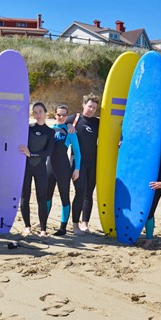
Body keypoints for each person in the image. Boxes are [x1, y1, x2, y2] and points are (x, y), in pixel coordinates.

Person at [19, 102, 55, 238]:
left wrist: (31, 154)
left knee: (42, 198)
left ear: (46, 112)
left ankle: (43, 229)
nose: (38, 114)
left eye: (40, 111)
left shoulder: (50, 132)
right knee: (25, 197)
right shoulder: (28, 129)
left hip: (41, 169)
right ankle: (27, 226)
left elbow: (49, 152)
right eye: (35, 112)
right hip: (26, 169)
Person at [65, 94, 100, 235]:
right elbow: (59, 128)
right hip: (77, 163)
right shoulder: (73, 119)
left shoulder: (98, 123)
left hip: (93, 162)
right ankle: (75, 225)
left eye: (94, 108)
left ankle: (85, 223)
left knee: (89, 193)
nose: (91, 109)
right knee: (80, 192)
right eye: (89, 106)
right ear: (83, 105)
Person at [47, 104, 81, 236]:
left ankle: (62, 228)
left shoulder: (70, 131)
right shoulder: (49, 129)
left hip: (63, 169)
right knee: (46, 197)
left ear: (67, 116)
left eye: (64, 115)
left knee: (64, 198)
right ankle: (43, 225)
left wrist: (77, 169)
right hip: (49, 168)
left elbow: (77, 152)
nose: (61, 117)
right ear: (54, 115)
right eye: (58, 114)